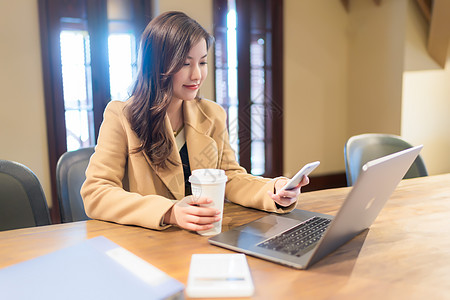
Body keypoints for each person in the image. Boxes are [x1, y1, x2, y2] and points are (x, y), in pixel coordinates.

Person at [81, 11, 309, 233]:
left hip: (205, 237)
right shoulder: (121, 115)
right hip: (150, 242)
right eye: (185, 63)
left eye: (202, 62)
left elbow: (230, 177)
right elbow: (96, 192)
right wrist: (170, 212)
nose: (197, 75)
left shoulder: (213, 114)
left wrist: (275, 190)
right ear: (157, 65)